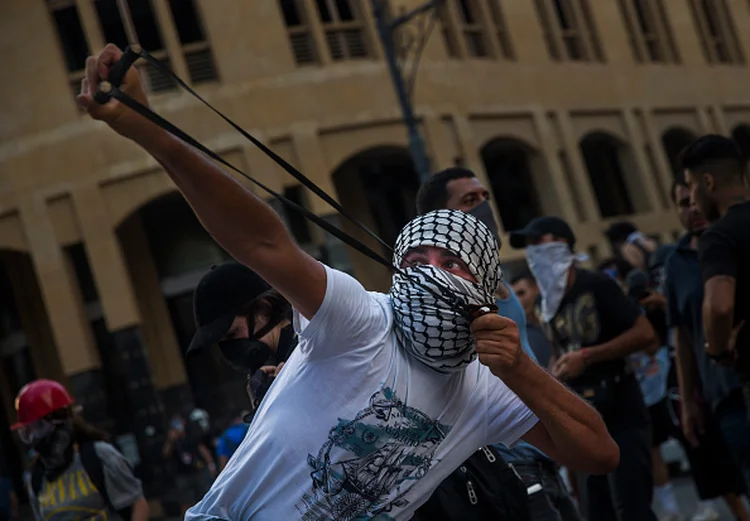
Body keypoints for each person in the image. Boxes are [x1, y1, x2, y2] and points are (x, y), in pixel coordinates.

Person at [78, 44, 618, 520]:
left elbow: (598, 454)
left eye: (451, 263)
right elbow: (264, 244)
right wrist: (151, 130)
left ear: (482, 288)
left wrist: (522, 368)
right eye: (418, 257)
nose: (431, 270)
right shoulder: (362, 320)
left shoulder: (484, 391)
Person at [415, 167, 582, 521]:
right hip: (506, 457)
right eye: (470, 201)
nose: (483, 207)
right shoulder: (441, 289)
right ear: (441, 218)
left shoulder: (494, 275)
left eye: (485, 197)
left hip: (544, 450)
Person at [510, 216, 659, 521]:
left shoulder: (596, 285)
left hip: (620, 410)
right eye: (528, 246)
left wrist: (588, 356)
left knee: (631, 508)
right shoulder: (545, 302)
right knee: (596, 510)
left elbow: (644, 334)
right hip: (581, 417)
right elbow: (560, 350)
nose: (532, 251)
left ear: (562, 244)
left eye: (538, 242)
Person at [666, 178, 750, 516]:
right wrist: (688, 402)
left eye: (694, 200)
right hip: (721, 396)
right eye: (683, 204)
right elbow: (683, 336)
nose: (692, 209)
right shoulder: (677, 262)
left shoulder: (735, 239)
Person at [11, 379, 148, 521]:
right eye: (27, 432)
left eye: (37, 428)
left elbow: (138, 505)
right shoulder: (37, 478)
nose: (34, 438)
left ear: (59, 424)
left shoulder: (99, 456)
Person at [681, 135, 750, 414]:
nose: (693, 202)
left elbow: (720, 306)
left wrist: (717, 348)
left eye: (691, 186)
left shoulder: (719, 236)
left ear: (708, 183)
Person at [162, 413, 217, 516]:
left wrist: (211, 465)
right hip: (182, 475)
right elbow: (165, 454)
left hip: (198, 471)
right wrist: (171, 440)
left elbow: (203, 450)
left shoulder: (191, 435)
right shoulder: (172, 440)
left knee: (205, 496)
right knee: (186, 501)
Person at [511, 270, 554, 369]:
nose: (517, 300)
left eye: (521, 293)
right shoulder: (520, 334)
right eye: (513, 297)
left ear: (537, 289)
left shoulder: (555, 319)